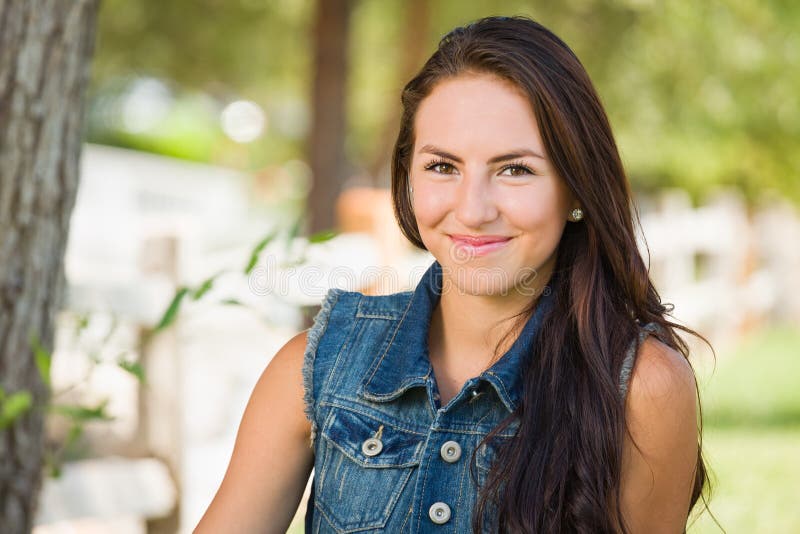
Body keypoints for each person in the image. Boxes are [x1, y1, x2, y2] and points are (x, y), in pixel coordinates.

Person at [195, 15, 710, 533]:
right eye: (443, 166)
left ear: (575, 188)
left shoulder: (644, 389)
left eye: (515, 169)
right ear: (408, 176)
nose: (473, 209)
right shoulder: (318, 365)